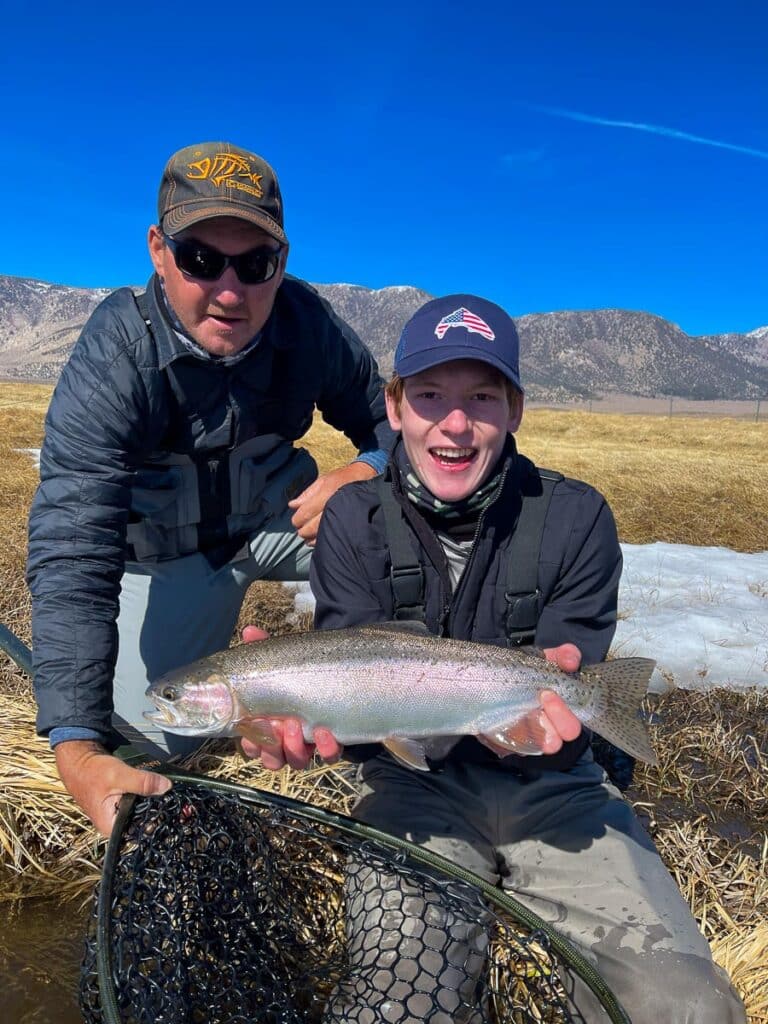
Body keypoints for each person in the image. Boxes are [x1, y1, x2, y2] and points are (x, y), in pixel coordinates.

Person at [243, 295, 745, 1022]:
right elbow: (352, 675)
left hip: (558, 785)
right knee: (399, 1005)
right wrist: (301, 714)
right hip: (410, 788)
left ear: (515, 410)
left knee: (686, 1003)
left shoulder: (577, 517)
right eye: (430, 395)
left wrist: (552, 717)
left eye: (481, 397)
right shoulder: (353, 518)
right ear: (394, 408)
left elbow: (570, 663)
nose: (455, 422)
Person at [27, 141, 394, 838]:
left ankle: (466, 702)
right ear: (158, 252)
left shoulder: (308, 324)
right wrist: (75, 745)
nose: (230, 291)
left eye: (254, 265)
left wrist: (368, 470)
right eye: (201, 259)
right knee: (153, 741)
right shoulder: (116, 355)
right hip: (170, 562)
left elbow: (399, 423)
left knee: (403, 521)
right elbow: (74, 548)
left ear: (280, 263)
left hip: (281, 524)